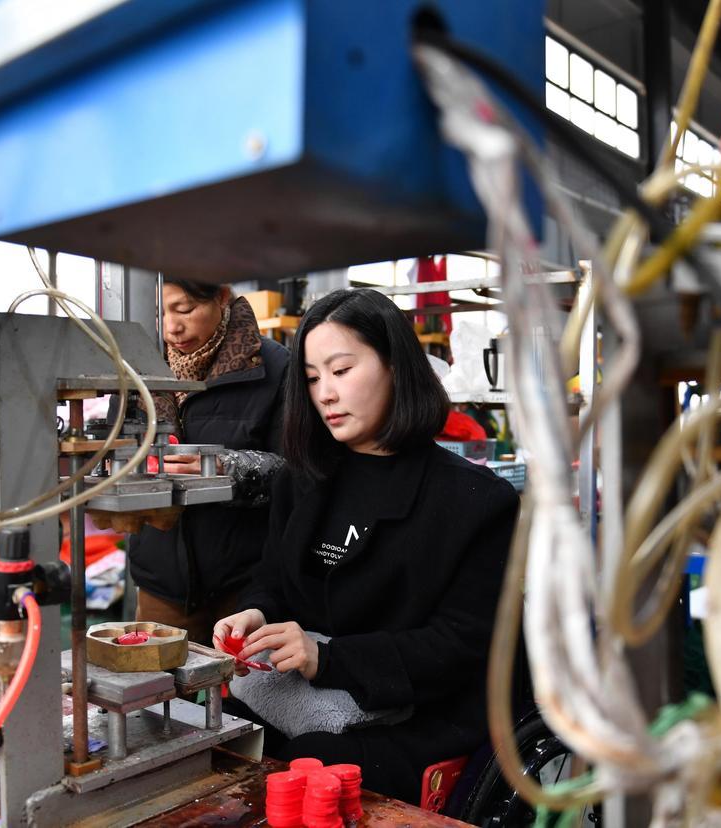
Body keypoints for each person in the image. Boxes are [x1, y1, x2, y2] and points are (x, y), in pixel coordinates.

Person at [213, 288, 520, 803]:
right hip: (317, 693)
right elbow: (274, 579)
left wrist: (327, 657)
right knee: (219, 736)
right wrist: (253, 616)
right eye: (312, 378)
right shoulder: (303, 478)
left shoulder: (474, 500)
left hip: (425, 709)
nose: (325, 394)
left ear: (396, 366)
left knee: (312, 768)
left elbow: (464, 644)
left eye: (341, 370)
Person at [128, 279, 287, 644]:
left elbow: (297, 471)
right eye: (159, 312)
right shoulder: (138, 367)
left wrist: (225, 467)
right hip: (161, 582)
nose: (172, 327)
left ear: (222, 297)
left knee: (242, 695)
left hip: (245, 586)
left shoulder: (275, 368)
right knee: (155, 693)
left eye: (185, 309)